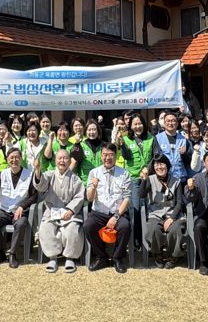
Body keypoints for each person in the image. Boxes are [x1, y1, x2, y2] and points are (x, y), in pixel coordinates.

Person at [33, 148, 85, 273]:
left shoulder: (75, 178)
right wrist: (38, 170)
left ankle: (70, 258)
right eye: (59, 158)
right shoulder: (49, 175)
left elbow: (79, 196)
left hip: (69, 213)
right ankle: (53, 257)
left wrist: (70, 210)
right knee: (46, 228)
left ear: (69, 161)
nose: (62, 161)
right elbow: (41, 186)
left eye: (65, 158)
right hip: (52, 212)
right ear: (55, 161)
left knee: (73, 229)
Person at [0, 148, 37, 268]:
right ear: (7, 159)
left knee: (21, 224)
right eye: (11, 158)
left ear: (21, 159)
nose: (14, 160)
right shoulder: (3, 173)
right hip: (4, 210)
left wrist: (22, 206)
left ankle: (13, 254)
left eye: (17, 157)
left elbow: (34, 196)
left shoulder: (29, 174)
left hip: (20, 212)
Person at [85, 143, 132, 273]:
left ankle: (118, 258)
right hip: (99, 212)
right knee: (88, 226)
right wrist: (93, 187)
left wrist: (116, 216)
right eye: (105, 155)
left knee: (125, 226)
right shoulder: (94, 173)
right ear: (101, 156)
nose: (108, 158)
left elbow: (127, 199)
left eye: (111, 155)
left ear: (116, 156)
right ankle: (101, 257)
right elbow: (89, 198)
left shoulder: (124, 174)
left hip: (118, 212)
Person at [140, 154, 184, 269]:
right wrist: (144, 180)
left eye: (162, 164)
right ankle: (157, 254)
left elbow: (179, 203)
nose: (159, 167)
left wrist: (172, 218)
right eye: (156, 165)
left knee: (176, 229)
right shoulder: (150, 179)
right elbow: (142, 195)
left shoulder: (176, 181)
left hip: (173, 213)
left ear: (167, 165)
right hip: (155, 214)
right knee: (153, 229)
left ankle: (173, 256)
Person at [119, 113, 154, 251]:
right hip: (134, 179)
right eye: (135, 124)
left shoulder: (151, 138)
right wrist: (122, 145)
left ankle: (149, 239)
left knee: (150, 208)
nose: (138, 126)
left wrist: (148, 169)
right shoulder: (126, 139)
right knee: (136, 209)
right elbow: (127, 157)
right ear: (130, 126)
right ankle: (137, 239)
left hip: (149, 177)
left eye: (140, 123)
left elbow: (156, 156)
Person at [153, 111, 190, 182]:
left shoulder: (184, 139)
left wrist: (184, 154)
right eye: (168, 121)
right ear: (164, 123)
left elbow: (188, 162)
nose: (170, 123)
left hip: (180, 177)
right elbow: (156, 158)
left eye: (173, 121)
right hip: (164, 178)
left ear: (177, 123)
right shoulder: (158, 138)